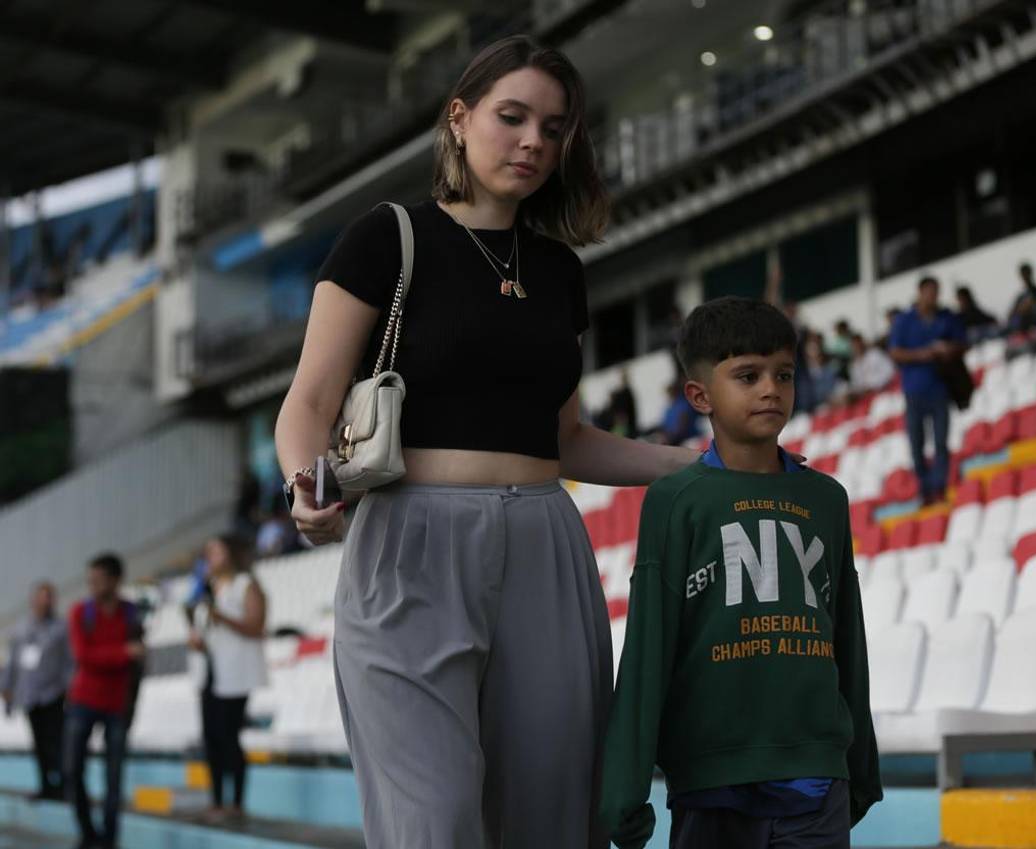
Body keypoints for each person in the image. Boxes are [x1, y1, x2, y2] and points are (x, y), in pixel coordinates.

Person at [274, 35, 699, 848]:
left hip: (546, 543)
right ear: (460, 119)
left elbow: (567, 439)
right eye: (513, 117)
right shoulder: (386, 237)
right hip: (410, 542)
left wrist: (695, 461)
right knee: (430, 825)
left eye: (554, 126)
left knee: (553, 819)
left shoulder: (559, 270)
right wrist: (307, 480)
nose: (534, 141)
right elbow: (311, 400)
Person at [599, 297, 881, 849]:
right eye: (747, 376)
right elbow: (648, 648)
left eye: (784, 374)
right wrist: (625, 785)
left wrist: (861, 765)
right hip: (712, 783)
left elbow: (847, 634)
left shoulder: (826, 498)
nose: (770, 389)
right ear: (700, 394)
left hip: (816, 778)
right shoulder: (675, 501)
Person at [64, 554, 144, 849]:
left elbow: (140, 657)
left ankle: (109, 840)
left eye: (98, 580)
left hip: (117, 704)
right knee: (71, 770)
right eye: (90, 580)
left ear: (115, 580)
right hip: (82, 701)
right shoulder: (79, 612)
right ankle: (88, 835)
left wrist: (125, 655)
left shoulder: (130, 613)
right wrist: (124, 652)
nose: (93, 586)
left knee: (114, 777)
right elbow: (84, 657)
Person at [187, 534, 268, 823]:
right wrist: (196, 639)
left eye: (216, 551)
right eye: (207, 552)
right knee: (210, 738)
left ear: (230, 554)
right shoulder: (207, 590)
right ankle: (216, 801)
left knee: (228, 735)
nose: (210, 557)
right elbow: (205, 629)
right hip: (210, 672)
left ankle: (236, 803)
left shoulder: (246, 585)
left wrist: (221, 618)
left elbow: (257, 627)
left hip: (235, 672)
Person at [889, 276, 967, 504]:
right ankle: (925, 489)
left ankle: (939, 488)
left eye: (936, 292)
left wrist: (947, 349)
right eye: (929, 292)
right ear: (920, 292)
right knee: (917, 444)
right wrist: (924, 354)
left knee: (941, 442)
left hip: (940, 387)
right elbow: (895, 352)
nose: (932, 296)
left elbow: (962, 344)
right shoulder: (905, 320)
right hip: (914, 390)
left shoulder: (946, 317)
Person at [1, 582, 71, 801]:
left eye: (49, 597)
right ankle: (46, 785)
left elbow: (68, 662)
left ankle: (62, 786)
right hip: (30, 695)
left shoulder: (61, 628)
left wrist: (68, 687)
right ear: (33, 601)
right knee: (39, 743)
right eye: (41, 597)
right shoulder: (22, 629)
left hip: (53, 694)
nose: (45, 602)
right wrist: (6, 687)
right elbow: (13, 662)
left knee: (57, 741)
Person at [795, 333, 845, 413]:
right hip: (813, 412)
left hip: (832, 408)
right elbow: (805, 402)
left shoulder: (830, 370)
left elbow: (839, 386)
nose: (815, 355)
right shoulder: (802, 378)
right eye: (812, 350)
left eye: (817, 351)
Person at [847, 332, 895, 396]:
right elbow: (856, 384)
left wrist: (873, 386)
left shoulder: (875, 354)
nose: (857, 347)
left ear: (862, 342)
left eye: (858, 343)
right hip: (866, 396)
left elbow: (890, 371)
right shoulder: (854, 365)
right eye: (854, 345)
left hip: (883, 390)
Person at [1007, 262, 1036, 333]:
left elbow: (1034, 305)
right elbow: (1015, 309)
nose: (1024, 276)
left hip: (1032, 319)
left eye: (1026, 274)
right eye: (1023, 274)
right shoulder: (1021, 293)